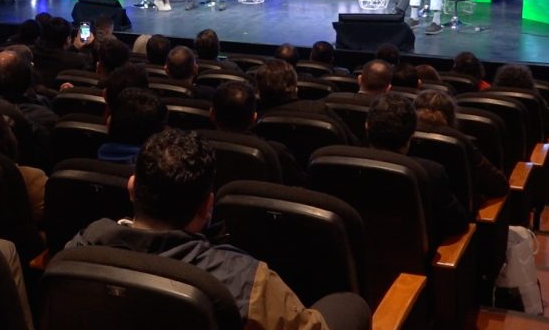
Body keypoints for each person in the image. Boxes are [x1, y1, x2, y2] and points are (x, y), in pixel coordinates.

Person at [68, 128, 371, 330]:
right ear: (207, 207)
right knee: (350, 305)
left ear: (132, 188)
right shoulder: (246, 282)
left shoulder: (79, 249)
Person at [365, 93, 470, 246]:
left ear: (366, 126)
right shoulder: (431, 173)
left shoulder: (339, 162)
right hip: (412, 258)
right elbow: (458, 223)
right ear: (412, 133)